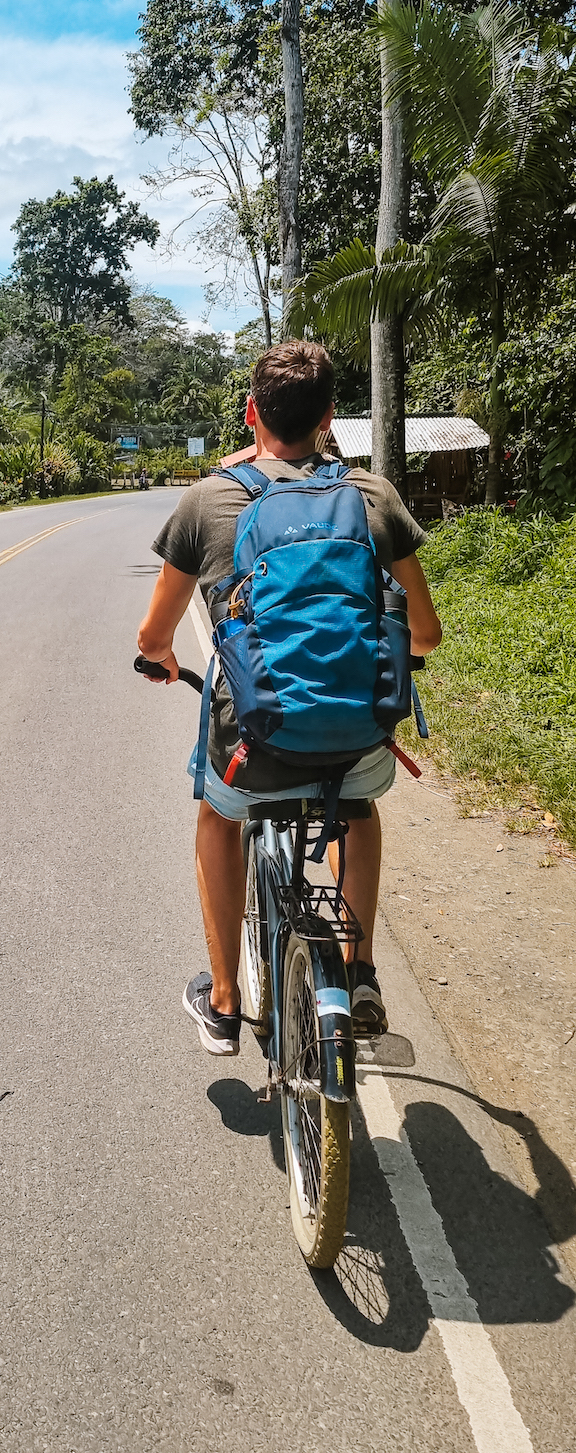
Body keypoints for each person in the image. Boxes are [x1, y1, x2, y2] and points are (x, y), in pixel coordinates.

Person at [137, 340, 442, 1055]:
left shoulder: (208, 499)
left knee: (217, 817)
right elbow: (424, 634)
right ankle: (360, 972)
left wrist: (159, 660)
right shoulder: (373, 497)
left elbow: (154, 636)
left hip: (251, 747)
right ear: (329, 418)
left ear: (251, 413)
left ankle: (221, 998)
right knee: (359, 809)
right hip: (357, 743)